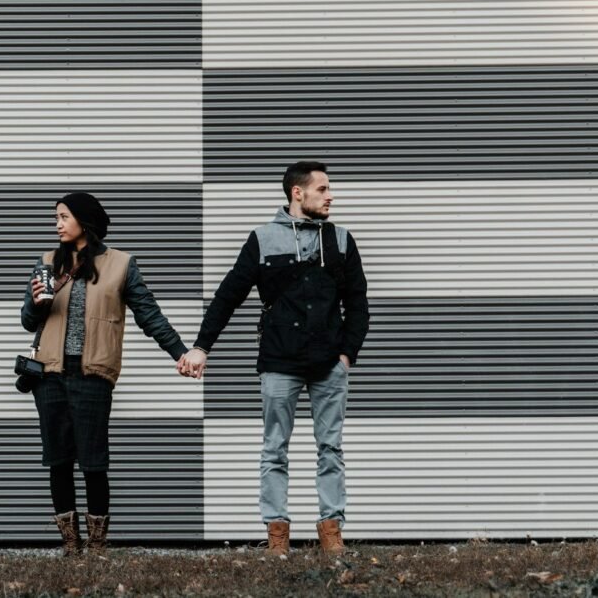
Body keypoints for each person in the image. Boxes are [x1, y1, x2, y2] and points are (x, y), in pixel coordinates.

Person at [178, 161, 369, 557]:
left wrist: (346, 355)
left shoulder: (341, 240)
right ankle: (277, 534)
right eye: (322, 189)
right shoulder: (263, 239)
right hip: (279, 361)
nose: (331, 196)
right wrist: (201, 346)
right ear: (297, 193)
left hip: (329, 365)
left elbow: (358, 304)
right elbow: (228, 296)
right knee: (274, 448)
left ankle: (332, 531)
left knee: (330, 448)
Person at [22, 192, 191, 556]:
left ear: (84, 221)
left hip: (93, 376)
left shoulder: (121, 264)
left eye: (64, 217)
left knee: (94, 462)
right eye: (56, 217)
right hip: (49, 377)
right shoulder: (47, 262)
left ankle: (97, 545)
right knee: (58, 461)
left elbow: (150, 316)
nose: (57, 224)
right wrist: (35, 304)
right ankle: (71, 544)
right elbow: (28, 321)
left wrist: (180, 352)